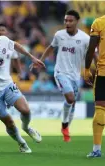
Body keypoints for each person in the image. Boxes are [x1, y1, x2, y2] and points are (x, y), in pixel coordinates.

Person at [0, 17, 44, 153]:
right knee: (9, 122)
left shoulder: (4, 41)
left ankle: (26, 127)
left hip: (7, 84)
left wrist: (32, 57)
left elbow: (16, 45)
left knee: (25, 110)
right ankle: (21, 143)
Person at [36, 10, 90, 142]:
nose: (67, 23)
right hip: (60, 72)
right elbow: (50, 47)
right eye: (65, 20)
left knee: (72, 105)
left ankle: (65, 127)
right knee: (70, 98)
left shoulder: (85, 38)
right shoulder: (59, 35)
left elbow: (92, 54)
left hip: (75, 76)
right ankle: (65, 126)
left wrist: (96, 66)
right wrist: (41, 60)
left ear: (76, 22)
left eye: (70, 20)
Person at [84, 15, 105, 158]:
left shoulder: (99, 22)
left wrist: (86, 69)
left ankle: (97, 149)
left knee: (100, 108)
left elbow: (91, 48)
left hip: (104, 73)